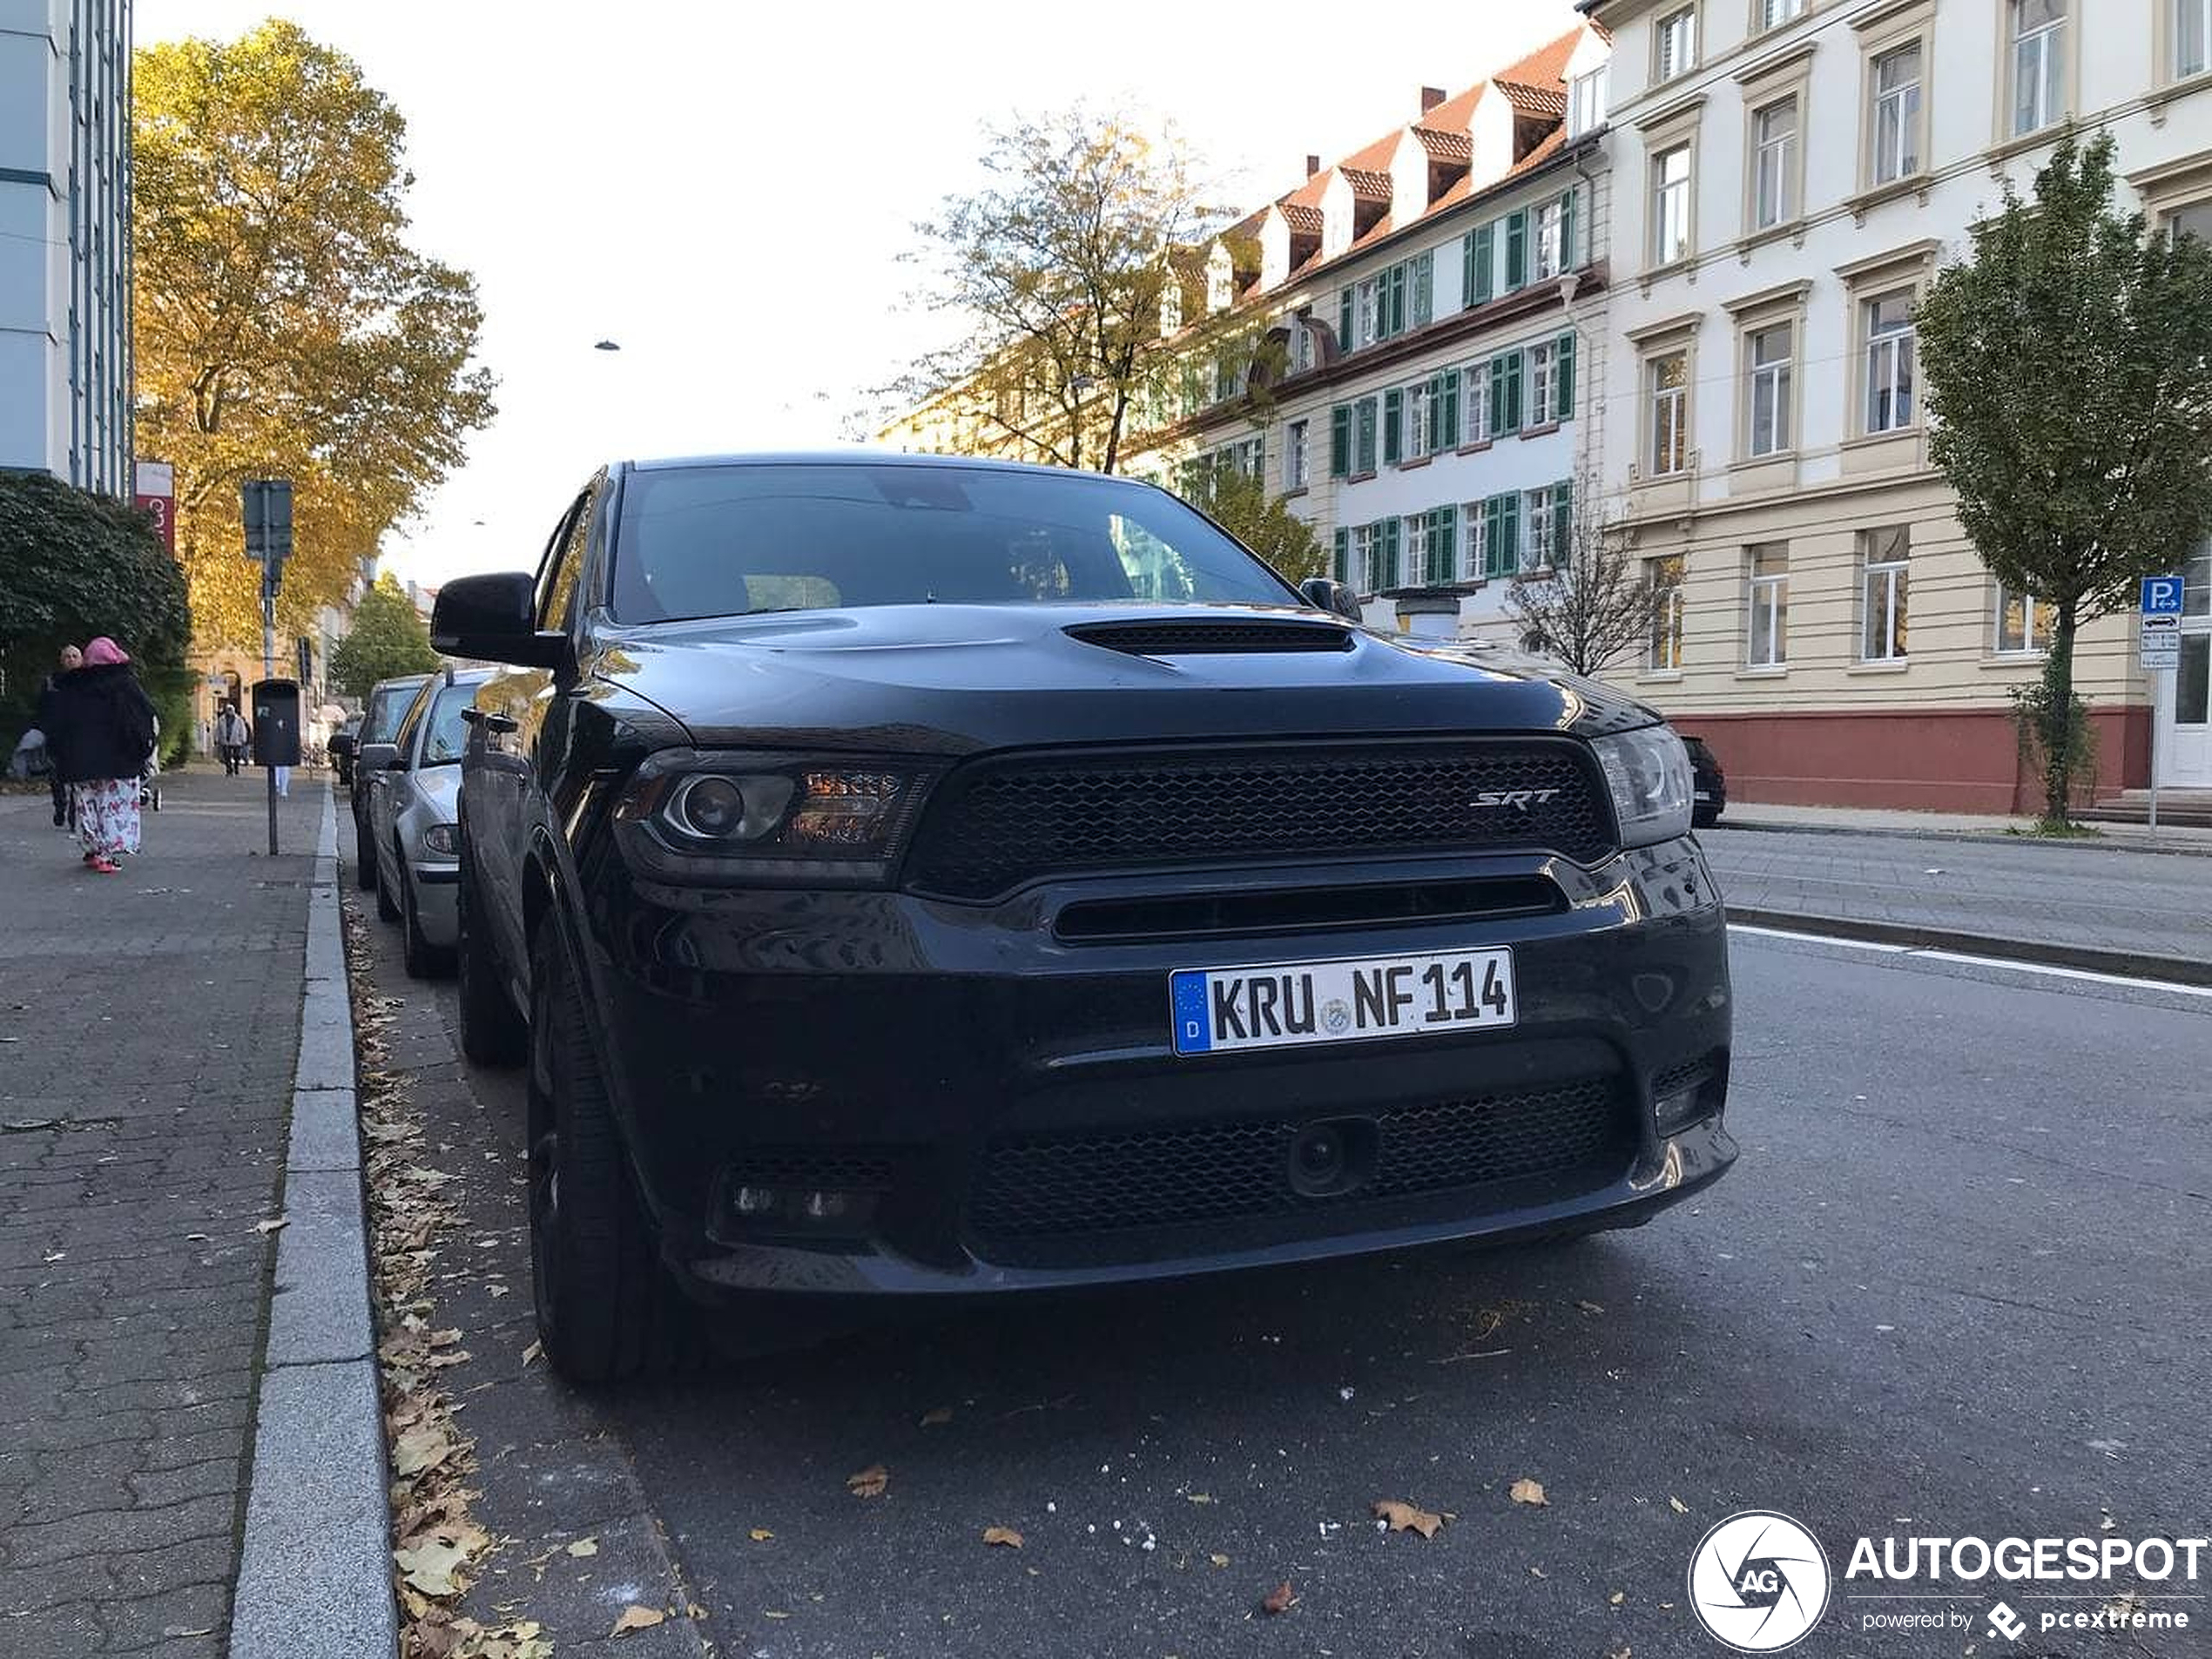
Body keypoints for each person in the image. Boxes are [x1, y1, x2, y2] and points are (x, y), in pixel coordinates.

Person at [49, 637, 158, 874]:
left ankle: (93, 851)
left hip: (81, 762)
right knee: (114, 808)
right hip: (119, 761)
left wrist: (60, 755)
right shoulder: (124, 684)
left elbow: (58, 723)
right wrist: (144, 750)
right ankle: (107, 855)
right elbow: (145, 715)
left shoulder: (74, 684)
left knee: (88, 806)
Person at [34, 644, 84, 827]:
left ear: (81, 660)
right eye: (67, 657)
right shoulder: (52, 682)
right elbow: (41, 708)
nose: (71, 659)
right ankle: (60, 806)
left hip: (79, 736)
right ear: (61, 660)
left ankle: (73, 811)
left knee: (76, 775)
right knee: (56, 775)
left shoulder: (88, 682)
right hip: (55, 735)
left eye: (74, 656)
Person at [214, 702, 249, 776]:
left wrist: (243, 739)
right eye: (228, 710)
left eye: (231, 710)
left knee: (237, 756)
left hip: (236, 740)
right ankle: (229, 770)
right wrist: (216, 738)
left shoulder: (239, 719)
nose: (229, 711)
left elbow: (242, 729)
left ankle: (236, 767)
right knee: (227, 756)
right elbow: (218, 730)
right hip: (225, 740)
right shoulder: (222, 719)